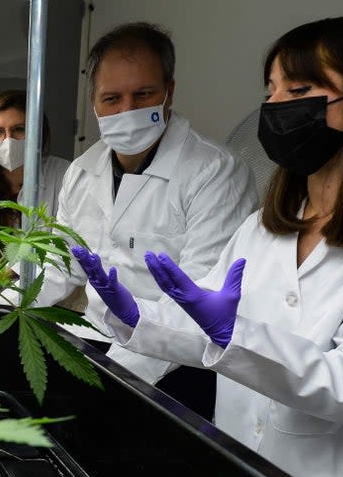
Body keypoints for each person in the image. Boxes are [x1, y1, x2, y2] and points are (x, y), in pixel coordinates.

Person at [74, 16, 343, 477]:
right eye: (271, 90)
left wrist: (231, 335)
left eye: (301, 89)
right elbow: (199, 320)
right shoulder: (264, 229)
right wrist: (134, 316)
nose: (275, 107)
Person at [38, 22, 259, 419]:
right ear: (93, 101)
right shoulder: (82, 172)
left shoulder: (215, 172)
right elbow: (60, 264)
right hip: (95, 345)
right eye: (111, 98)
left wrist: (123, 375)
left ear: (169, 91)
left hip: (173, 367)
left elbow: (198, 299)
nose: (128, 111)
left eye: (143, 95)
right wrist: (4, 301)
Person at [0, 90, 71, 302]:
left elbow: (62, 251)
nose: (8, 140)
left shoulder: (64, 175)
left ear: (38, 132)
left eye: (19, 129)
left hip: (45, 303)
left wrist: (8, 274)